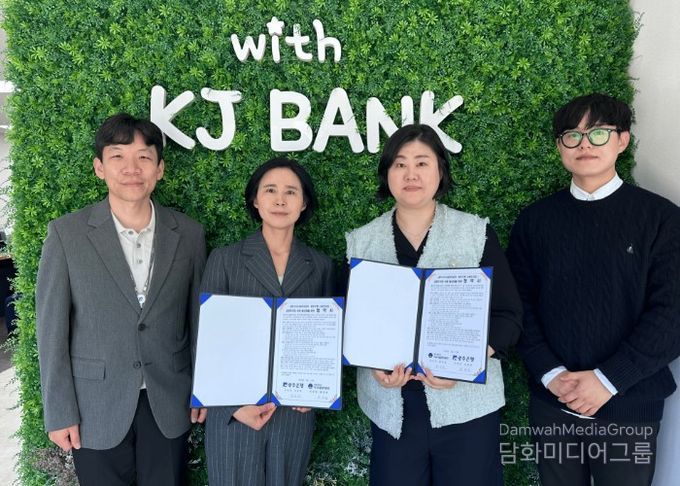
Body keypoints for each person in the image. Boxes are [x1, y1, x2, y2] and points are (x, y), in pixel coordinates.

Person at [506, 93, 680, 486]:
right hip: (553, 401)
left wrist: (608, 379)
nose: (584, 144)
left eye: (598, 133)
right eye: (572, 135)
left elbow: (671, 314)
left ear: (622, 140)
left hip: (629, 404)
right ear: (559, 146)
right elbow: (518, 306)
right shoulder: (535, 221)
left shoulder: (662, 219)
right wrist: (551, 374)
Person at [345, 124, 523, 485]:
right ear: (387, 174)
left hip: (468, 409)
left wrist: (465, 363)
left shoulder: (475, 233)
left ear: (440, 171)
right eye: (400, 164)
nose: (411, 174)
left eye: (422, 163)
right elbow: (352, 323)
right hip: (393, 410)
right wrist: (372, 365)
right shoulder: (361, 242)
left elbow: (508, 316)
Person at [36, 113, 207, 485]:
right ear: (99, 167)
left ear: (159, 169)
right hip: (95, 404)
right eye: (118, 156)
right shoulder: (67, 234)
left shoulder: (189, 234)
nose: (132, 168)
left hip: (168, 399)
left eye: (144, 157)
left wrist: (204, 390)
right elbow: (51, 331)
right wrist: (59, 411)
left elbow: (198, 321)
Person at [200, 157, 334, 486]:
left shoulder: (321, 266)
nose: (280, 200)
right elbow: (206, 341)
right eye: (270, 190)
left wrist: (316, 394)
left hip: (293, 414)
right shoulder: (225, 259)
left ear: (304, 203)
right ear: (255, 200)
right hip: (234, 415)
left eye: (291, 192)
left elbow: (327, 343)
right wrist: (232, 406)